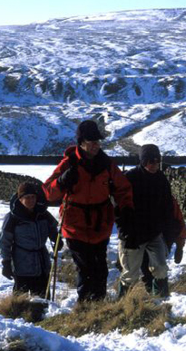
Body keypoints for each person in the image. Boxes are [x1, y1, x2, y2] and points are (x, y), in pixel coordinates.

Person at [43, 120, 133, 302]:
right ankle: (84, 305)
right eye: (92, 142)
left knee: (100, 269)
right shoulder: (68, 164)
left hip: (101, 225)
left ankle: (97, 303)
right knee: (86, 268)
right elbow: (48, 193)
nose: (96, 146)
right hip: (74, 225)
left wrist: (126, 209)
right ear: (81, 142)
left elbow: (123, 189)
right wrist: (62, 181)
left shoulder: (107, 164)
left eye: (97, 142)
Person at [117, 144, 186, 298]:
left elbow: (168, 209)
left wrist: (169, 237)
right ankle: (122, 306)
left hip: (154, 233)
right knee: (130, 274)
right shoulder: (129, 178)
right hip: (133, 235)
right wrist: (125, 232)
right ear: (143, 161)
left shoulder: (161, 179)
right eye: (150, 161)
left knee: (161, 267)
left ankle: (161, 300)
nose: (154, 164)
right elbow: (119, 209)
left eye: (157, 161)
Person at [0, 182, 60, 298]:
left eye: (33, 197)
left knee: (43, 300)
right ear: (20, 199)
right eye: (27, 197)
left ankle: (43, 315)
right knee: (20, 301)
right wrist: (6, 263)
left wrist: (56, 238)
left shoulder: (42, 213)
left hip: (42, 264)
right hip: (22, 266)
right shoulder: (13, 217)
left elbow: (52, 227)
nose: (31, 200)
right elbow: (4, 242)